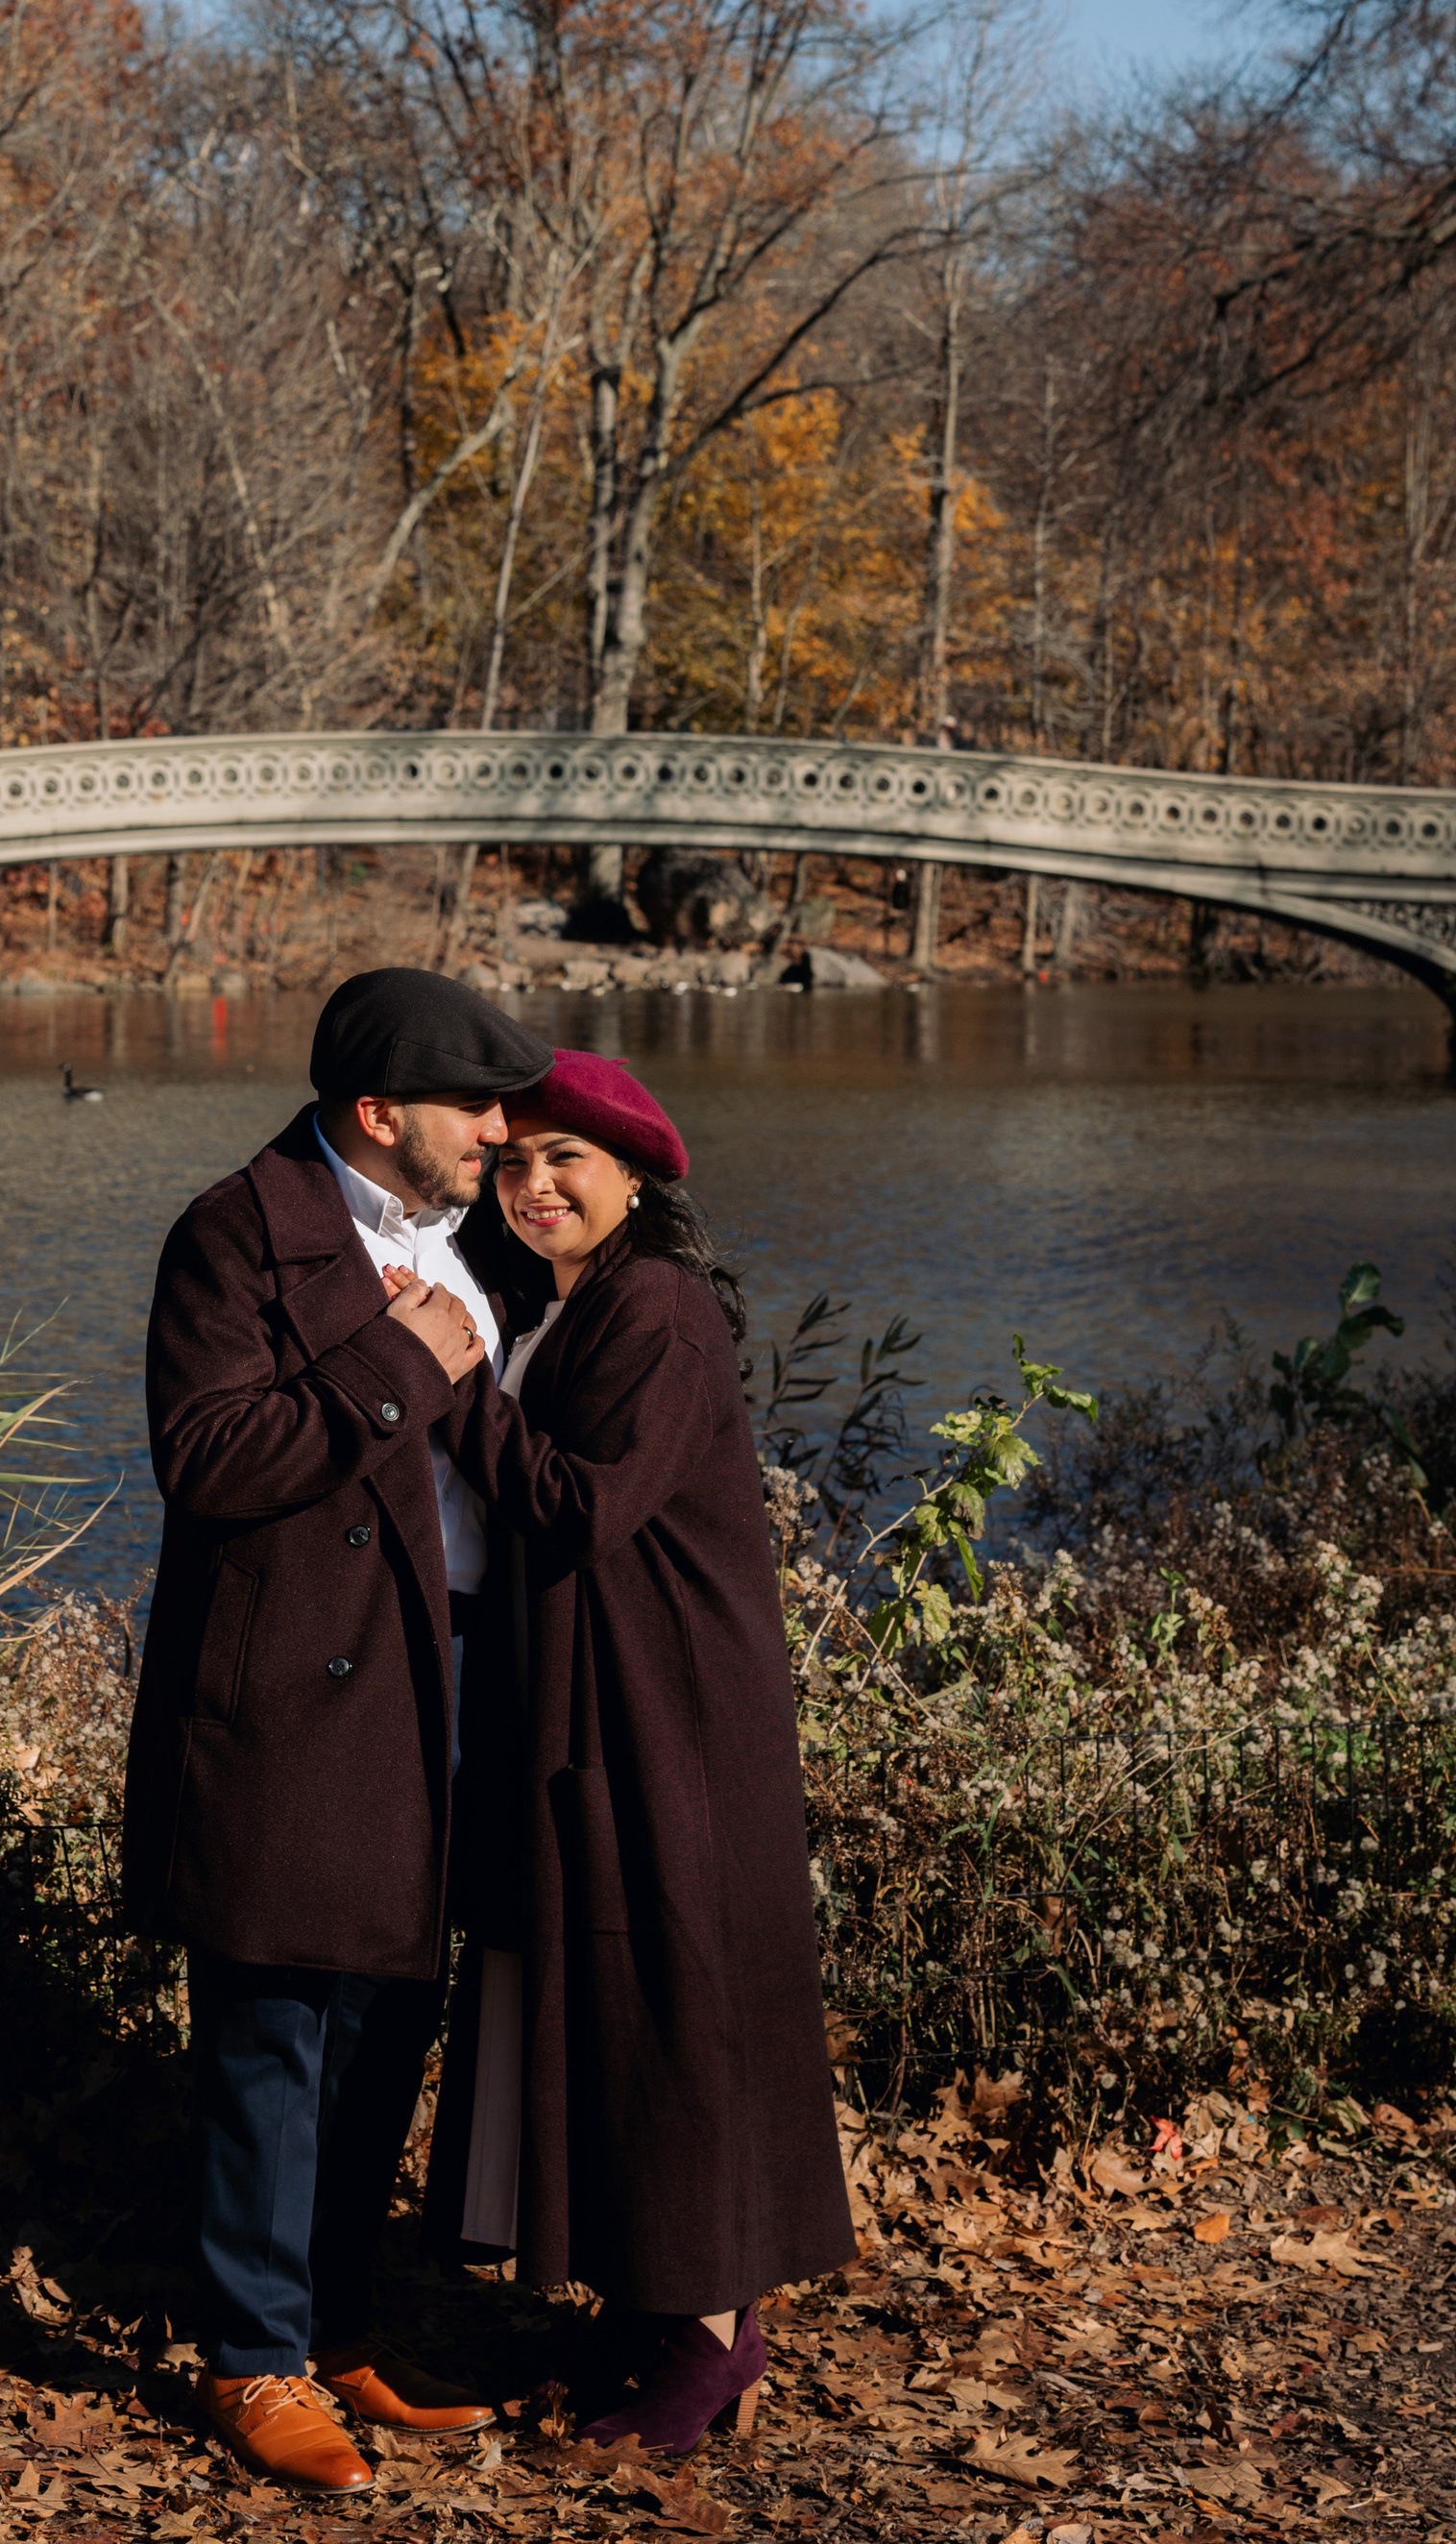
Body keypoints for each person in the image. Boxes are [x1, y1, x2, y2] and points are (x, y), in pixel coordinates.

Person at [122, 966, 552, 2492]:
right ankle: (252, 2362)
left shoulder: (484, 1234)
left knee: (389, 2017)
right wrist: (393, 1367)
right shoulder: (235, 1231)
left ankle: (341, 2326)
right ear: (379, 1115)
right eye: (476, 1109)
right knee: (274, 2029)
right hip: (301, 1684)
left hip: (456, 1674)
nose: (504, 1132)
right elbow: (208, 1459)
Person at [424, 1048, 856, 2456]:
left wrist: (446, 1391)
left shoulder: (655, 1311)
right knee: (615, 1989)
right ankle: (652, 2303)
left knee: (677, 1996)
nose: (533, 1185)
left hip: (670, 1714)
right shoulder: (568, 1309)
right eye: (513, 1162)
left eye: (567, 1163)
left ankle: (715, 2334)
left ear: (637, 1180)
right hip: (603, 1698)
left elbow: (584, 1507)